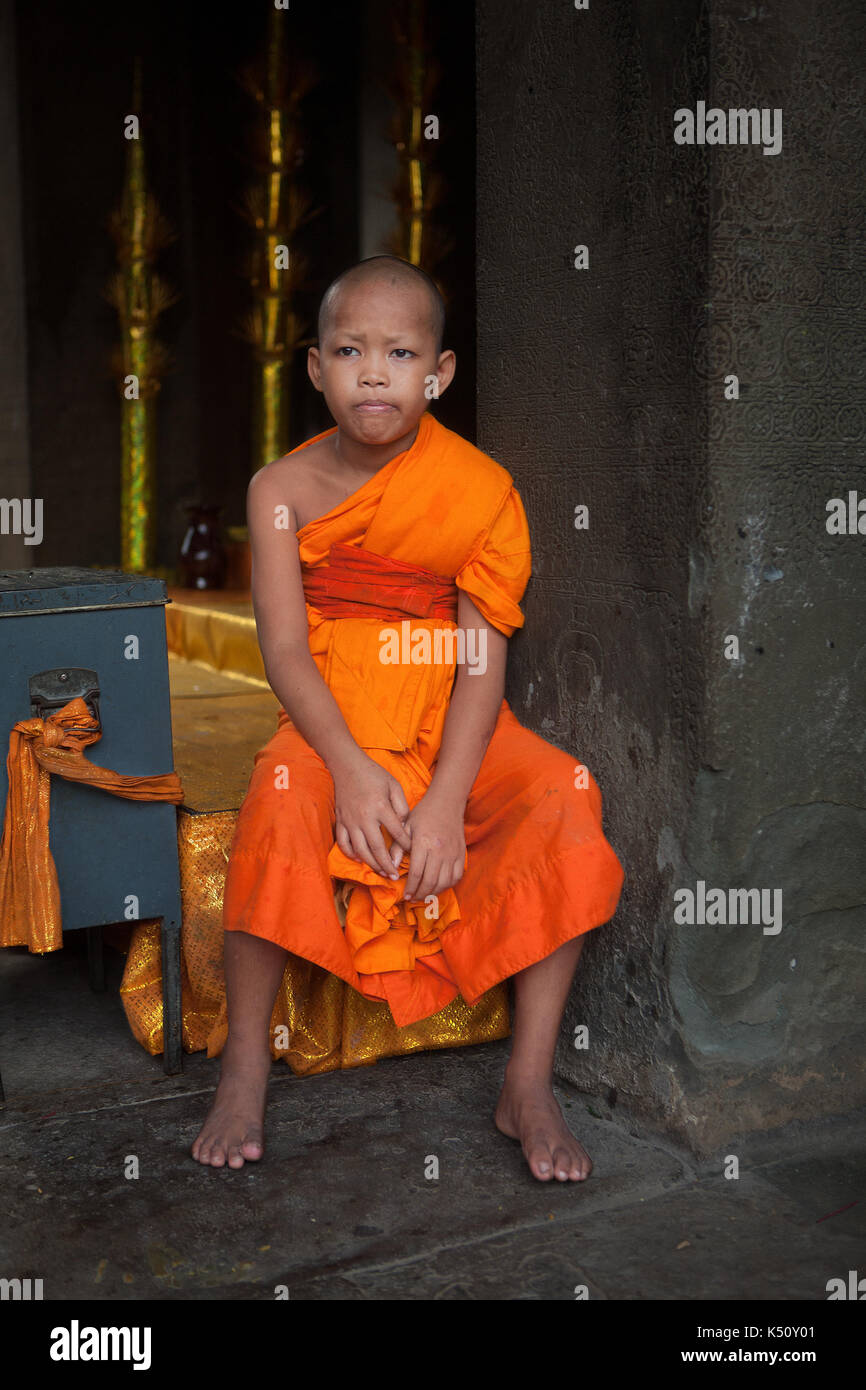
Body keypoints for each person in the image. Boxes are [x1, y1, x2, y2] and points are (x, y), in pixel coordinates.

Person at [191, 255, 625, 1180]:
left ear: (441, 373)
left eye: (400, 352)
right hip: (332, 704)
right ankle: (241, 1073)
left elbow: (479, 658)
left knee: (562, 792)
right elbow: (283, 650)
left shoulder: (477, 489)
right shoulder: (281, 491)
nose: (375, 372)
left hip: (444, 695)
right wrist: (346, 764)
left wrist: (443, 801)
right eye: (350, 350)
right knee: (277, 795)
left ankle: (530, 1081)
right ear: (316, 369)